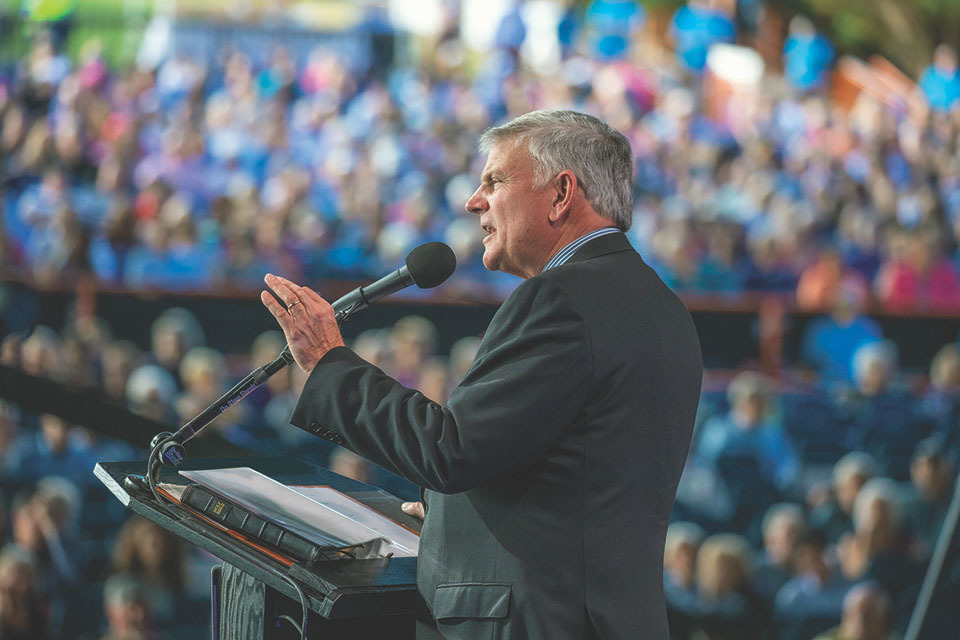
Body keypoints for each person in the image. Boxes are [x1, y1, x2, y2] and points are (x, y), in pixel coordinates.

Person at [261, 110, 703, 639]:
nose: (474, 201)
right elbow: (579, 476)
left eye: (494, 181)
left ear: (561, 193)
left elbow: (454, 450)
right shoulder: (662, 306)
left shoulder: (559, 300)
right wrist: (458, 524)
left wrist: (329, 362)